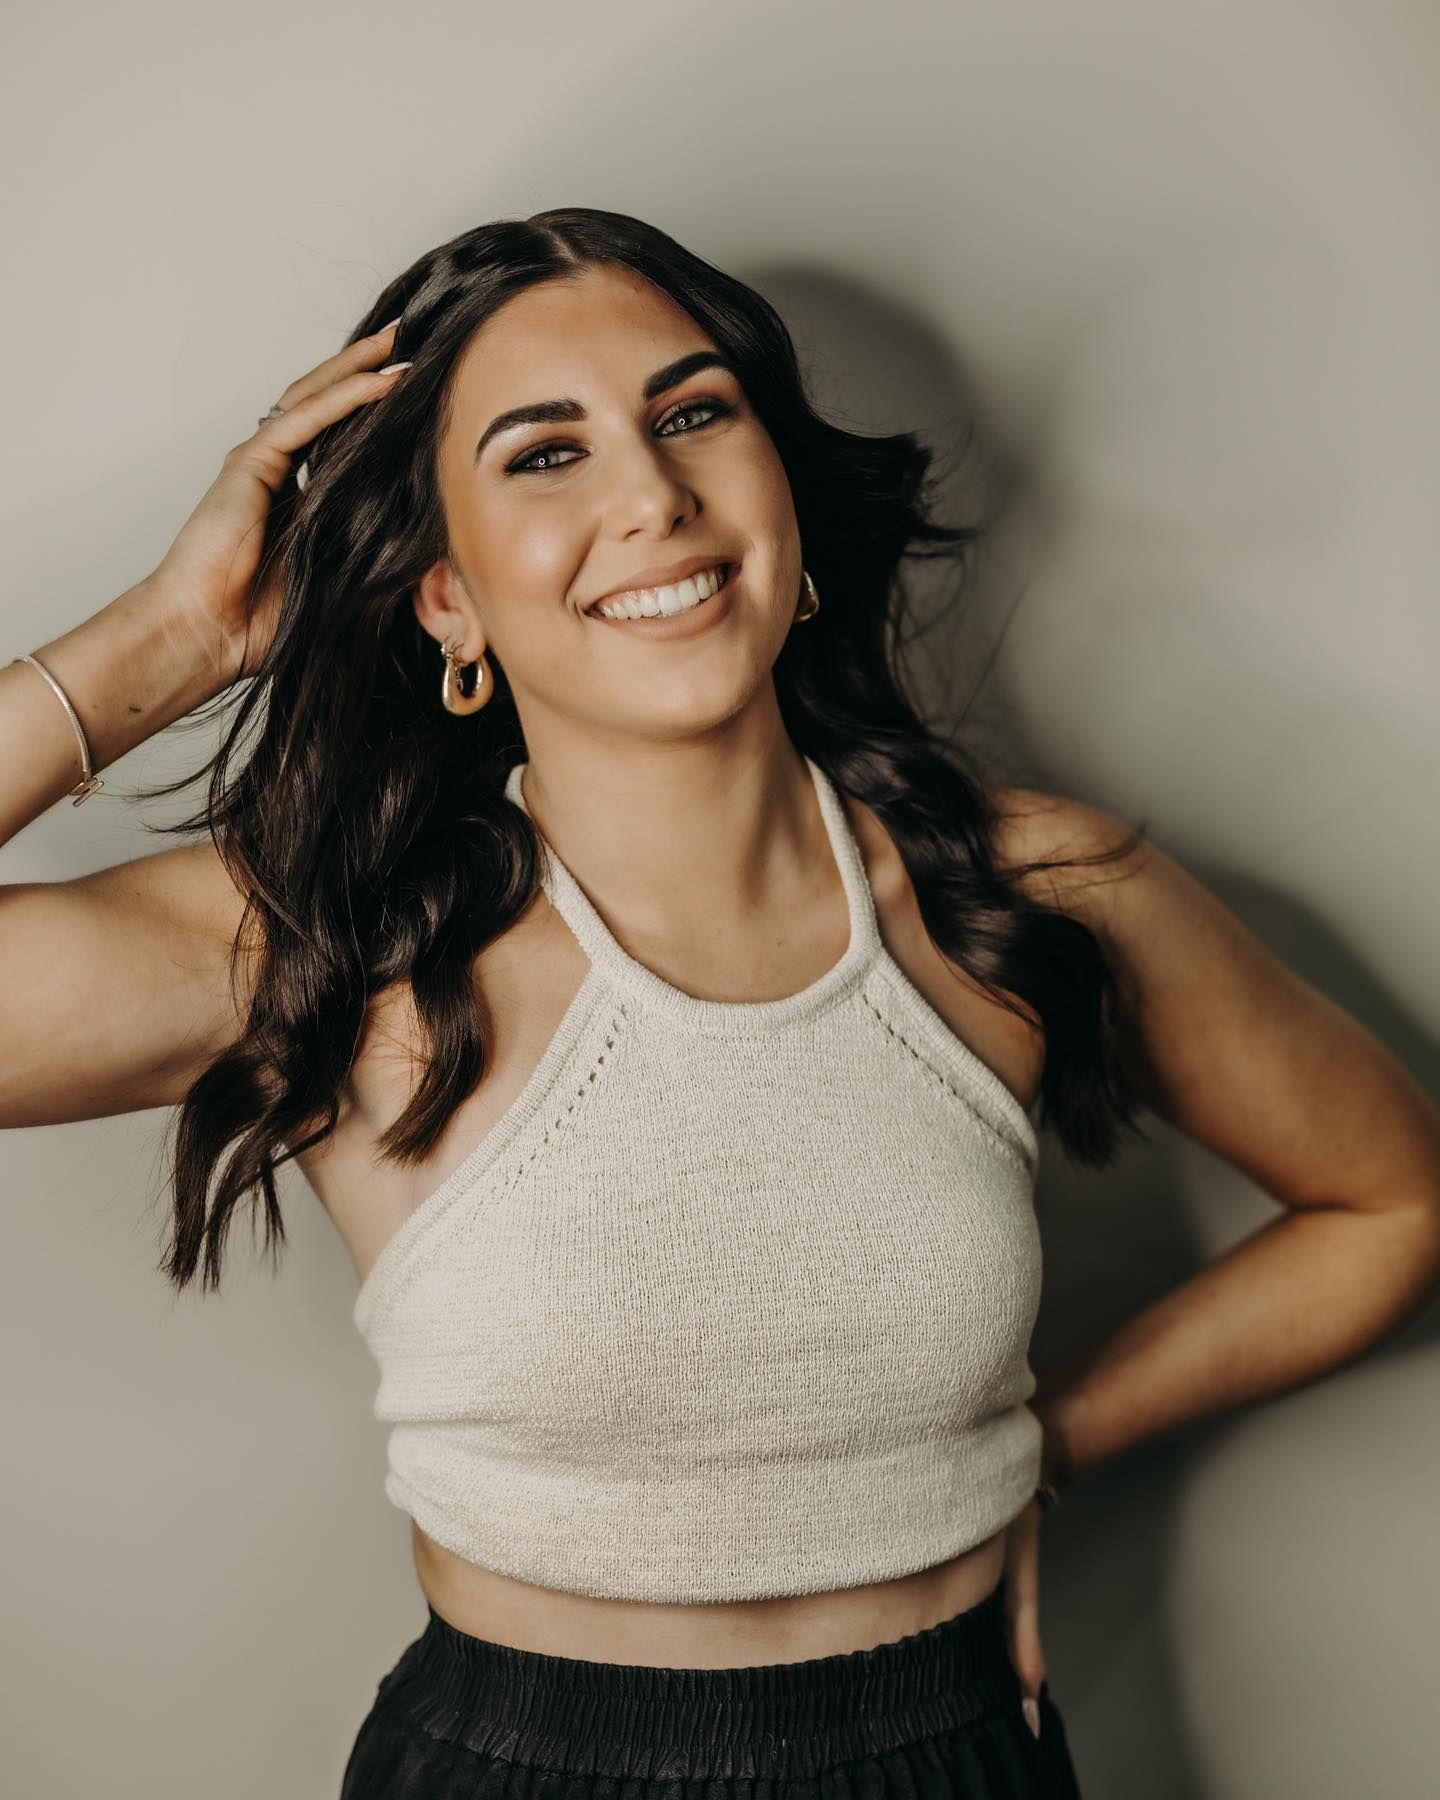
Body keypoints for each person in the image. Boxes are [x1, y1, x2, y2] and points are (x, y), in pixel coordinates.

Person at [4, 208, 1437, 1799]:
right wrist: (174, 635)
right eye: (544, 456)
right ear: (444, 601)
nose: (650, 494)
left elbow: (1388, 1198)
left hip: (949, 1762)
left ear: (787, 506)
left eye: (691, 414)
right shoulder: (330, 939)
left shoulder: (1018, 892)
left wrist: (1049, 1456)